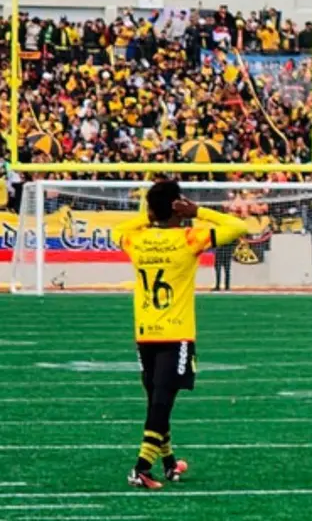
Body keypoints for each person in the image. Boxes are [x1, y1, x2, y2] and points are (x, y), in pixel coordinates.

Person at [113, 180, 249, 489]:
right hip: (176, 334)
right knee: (162, 403)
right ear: (179, 206)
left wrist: (148, 217)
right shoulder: (189, 238)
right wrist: (198, 211)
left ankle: (171, 463)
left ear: (150, 211)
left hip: (145, 333)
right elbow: (238, 225)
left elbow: (115, 231)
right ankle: (141, 468)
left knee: (158, 401)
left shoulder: (137, 239)